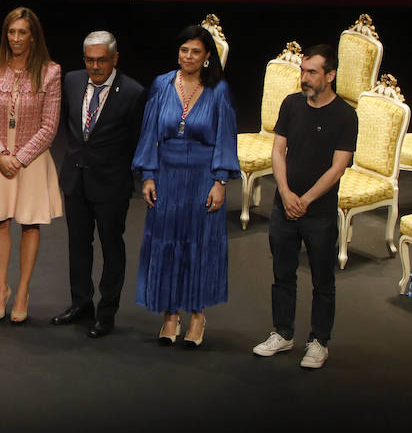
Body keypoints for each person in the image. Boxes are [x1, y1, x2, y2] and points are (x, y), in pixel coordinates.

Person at [131, 24, 239, 347]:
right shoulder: (162, 85)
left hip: (202, 178)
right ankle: (169, 315)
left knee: (199, 246)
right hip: (167, 176)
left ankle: (197, 316)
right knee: (166, 243)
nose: (188, 57)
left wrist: (220, 182)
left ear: (207, 57)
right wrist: (148, 175)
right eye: (183, 50)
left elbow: (225, 138)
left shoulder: (219, 90)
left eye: (195, 52)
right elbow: (149, 133)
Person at [252, 44, 355, 370]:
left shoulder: (345, 116)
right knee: (282, 274)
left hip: (319, 214)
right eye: (302, 71)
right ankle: (282, 333)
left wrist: (306, 200)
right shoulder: (292, 104)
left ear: (331, 75)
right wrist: (284, 192)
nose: (304, 78)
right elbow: (278, 150)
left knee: (322, 281)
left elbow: (338, 168)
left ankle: (318, 342)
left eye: (311, 72)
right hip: (285, 207)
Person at [0, 7, 62, 325]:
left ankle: (22, 291)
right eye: (12, 32)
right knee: (0, 222)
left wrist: (19, 158)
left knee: (30, 223)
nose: (17, 38)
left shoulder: (50, 72)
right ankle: (1, 290)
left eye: (22, 32)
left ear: (33, 36)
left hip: (31, 160)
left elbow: (49, 126)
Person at [51, 31, 145, 339]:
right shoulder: (73, 81)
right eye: (89, 60)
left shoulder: (132, 92)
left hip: (110, 183)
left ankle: (106, 312)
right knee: (78, 244)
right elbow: (70, 126)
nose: (95, 67)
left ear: (114, 59)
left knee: (111, 248)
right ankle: (81, 303)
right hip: (75, 178)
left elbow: (136, 140)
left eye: (101, 60)